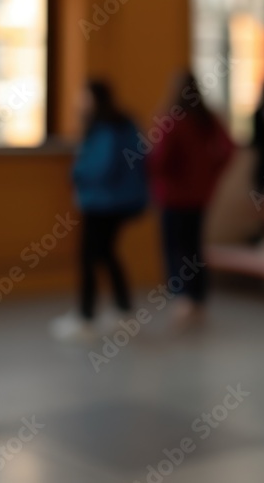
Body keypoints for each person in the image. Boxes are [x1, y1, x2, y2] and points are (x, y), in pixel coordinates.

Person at [52, 80, 148, 341]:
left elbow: (101, 166)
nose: (78, 102)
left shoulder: (105, 127)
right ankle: (123, 308)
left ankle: (86, 317)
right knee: (106, 254)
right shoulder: (123, 123)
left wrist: (77, 172)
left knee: (89, 257)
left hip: (103, 202)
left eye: (83, 96)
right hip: (118, 201)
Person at [147, 72, 235, 326]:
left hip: (173, 196)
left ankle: (184, 299)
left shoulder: (172, 121)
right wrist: (211, 173)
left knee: (175, 248)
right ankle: (197, 298)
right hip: (199, 196)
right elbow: (229, 148)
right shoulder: (206, 120)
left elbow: (159, 160)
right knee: (193, 248)